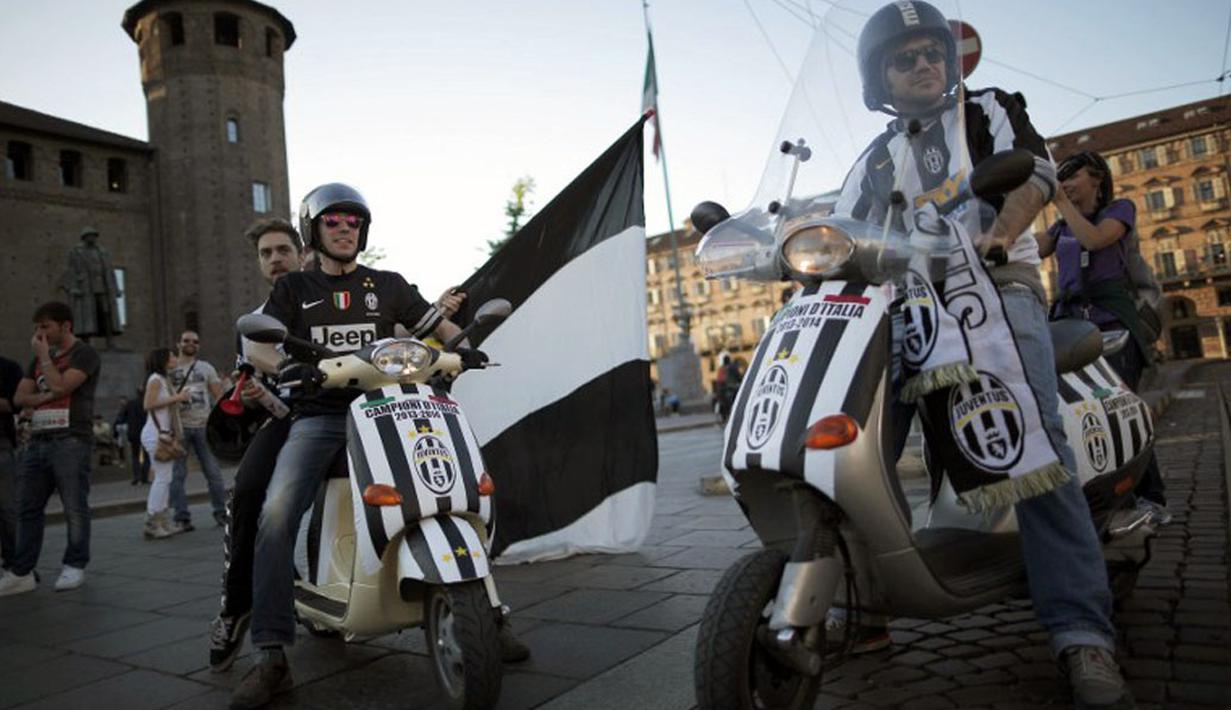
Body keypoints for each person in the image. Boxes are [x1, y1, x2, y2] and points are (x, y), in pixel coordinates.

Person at [831, 4, 1131, 707]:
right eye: (904, 58)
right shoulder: (874, 155)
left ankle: (1080, 632)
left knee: (1033, 444)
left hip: (994, 285)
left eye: (931, 52)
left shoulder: (989, 107)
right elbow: (844, 227)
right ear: (879, 74)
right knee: (851, 444)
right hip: (904, 303)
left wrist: (999, 235)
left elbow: (1035, 176)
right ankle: (859, 602)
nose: (923, 65)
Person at [230, 184, 495, 708]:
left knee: (458, 489)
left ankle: (488, 615)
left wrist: (467, 347)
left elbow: (441, 328)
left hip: (392, 408)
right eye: (334, 221)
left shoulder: (388, 285)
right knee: (277, 512)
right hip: (321, 417)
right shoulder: (294, 289)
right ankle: (271, 655)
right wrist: (287, 366)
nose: (345, 227)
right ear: (315, 230)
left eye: (353, 221)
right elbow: (260, 344)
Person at [1040, 150, 1170, 525]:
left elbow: (1096, 240)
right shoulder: (1060, 227)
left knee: (1121, 408)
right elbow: (1032, 247)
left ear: (1096, 178)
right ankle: (1100, 497)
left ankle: (1152, 497)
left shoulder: (1119, 210)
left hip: (1111, 323)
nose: (1062, 182)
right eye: (1059, 176)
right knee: (1079, 413)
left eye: (1070, 174)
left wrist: (1062, 203)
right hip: (1068, 324)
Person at [0, 302, 101, 596]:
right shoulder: (37, 361)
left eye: (45, 327)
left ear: (65, 326)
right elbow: (20, 397)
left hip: (71, 438)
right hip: (39, 438)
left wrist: (45, 361)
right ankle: (22, 570)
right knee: (26, 508)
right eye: (36, 328)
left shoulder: (84, 353)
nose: (39, 334)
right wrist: (46, 389)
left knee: (74, 506)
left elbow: (61, 387)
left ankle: (75, 564)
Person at [168, 330, 228, 530]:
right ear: (179, 344)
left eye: (195, 341)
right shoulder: (170, 368)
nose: (190, 343)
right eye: (186, 340)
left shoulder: (206, 367)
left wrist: (219, 423)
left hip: (203, 425)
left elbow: (219, 396)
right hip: (179, 427)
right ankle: (181, 517)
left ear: (199, 346)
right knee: (177, 475)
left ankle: (221, 513)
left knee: (213, 473)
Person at [142, 347, 189, 540]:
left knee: (165, 477)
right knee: (162, 478)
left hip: (162, 434)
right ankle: (153, 521)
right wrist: (178, 397)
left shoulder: (162, 379)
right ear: (163, 360)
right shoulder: (155, 379)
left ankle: (162, 521)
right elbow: (148, 404)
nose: (175, 359)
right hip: (155, 434)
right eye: (172, 356)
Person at [0, 354, 24, 573]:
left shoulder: (7, 367)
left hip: (2, 444)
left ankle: (17, 564)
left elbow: (17, 403)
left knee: (8, 508)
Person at [117, 391, 150, 485]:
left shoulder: (130, 403)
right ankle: (145, 477)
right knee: (146, 456)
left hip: (133, 432)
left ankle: (136, 477)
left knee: (135, 456)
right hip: (145, 431)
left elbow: (122, 417)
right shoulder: (147, 402)